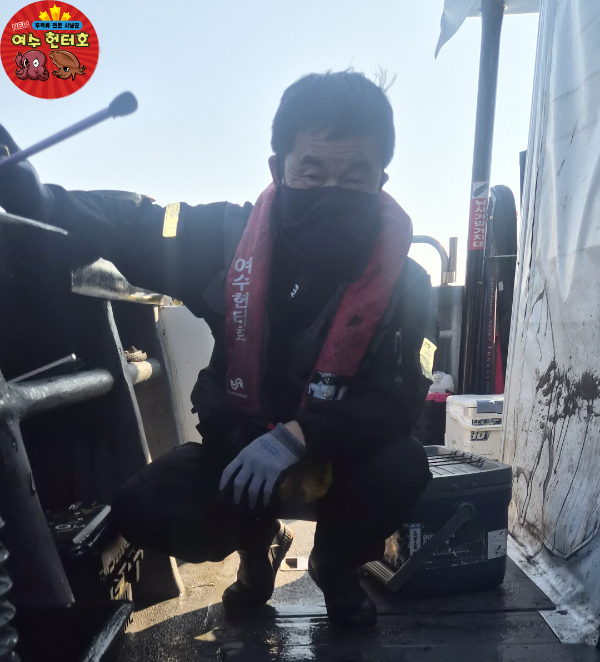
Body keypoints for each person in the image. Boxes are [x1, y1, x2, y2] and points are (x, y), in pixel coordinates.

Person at [0, 71, 435, 631]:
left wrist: (296, 437)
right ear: (278, 170)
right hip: (239, 453)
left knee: (404, 466)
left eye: (355, 177)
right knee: (144, 507)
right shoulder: (224, 237)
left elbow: (400, 402)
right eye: (311, 172)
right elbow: (137, 221)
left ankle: (335, 564)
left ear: (381, 180)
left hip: (344, 463)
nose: (332, 191)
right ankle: (259, 548)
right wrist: (38, 199)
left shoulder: (409, 282)